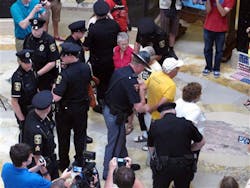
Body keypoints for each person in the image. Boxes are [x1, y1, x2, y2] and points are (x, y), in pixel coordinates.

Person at [102, 51, 151, 180]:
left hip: (112, 109)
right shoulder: (130, 80)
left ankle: (124, 163)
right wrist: (142, 92)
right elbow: (139, 108)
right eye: (144, 68)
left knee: (121, 139)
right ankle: (108, 172)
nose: (143, 71)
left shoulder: (123, 71)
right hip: (114, 114)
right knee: (114, 143)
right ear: (140, 66)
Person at [53, 42, 91, 171]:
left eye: (63, 55)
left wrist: (54, 88)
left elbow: (56, 97)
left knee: (64, 138)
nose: (62, 57)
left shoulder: (65, 74)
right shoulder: (86, 68)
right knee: (80, 136)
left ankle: (63, 163)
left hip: (66, 111)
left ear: (70, 56)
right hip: (81, 108)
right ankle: (80, 161)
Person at [148, 102, 205, 188]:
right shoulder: (187, 124)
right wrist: (189, 149)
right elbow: (201, 142)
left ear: (161, 114)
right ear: (174, 112)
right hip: (184, 166)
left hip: (162, 167)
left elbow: (151, 147)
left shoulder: (155, 125)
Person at [83, 0, 120, 114]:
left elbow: (86, 47)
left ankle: (102, 104)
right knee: (111, 81)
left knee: (100, 83)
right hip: (112, 60)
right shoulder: (114, 25)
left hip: (98, 62)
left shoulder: (93, 29)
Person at [23, 90, 59, 180]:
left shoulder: (33, 113)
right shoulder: (37, 132)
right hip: (44, 163)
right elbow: (37, 155)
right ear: (48, 108)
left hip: (50, 156)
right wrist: (45, 173)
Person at [1, 143, 72, 188]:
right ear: (24, 163)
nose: (32, 155)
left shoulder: (6, 168)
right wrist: (62, 178)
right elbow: (50, 185)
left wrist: (37, 167)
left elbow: (22, 174)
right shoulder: (34, 179)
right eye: (29, 156)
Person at [134, 46, 162, 147]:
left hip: (152, 98)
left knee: (150, 120)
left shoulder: (156, 69)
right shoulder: (146, 66)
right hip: (143, 95)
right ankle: (145, 134)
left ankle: (151, 141)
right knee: (141, 115)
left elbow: (147, 84)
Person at [23, 17, 60, 90]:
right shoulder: (28, 38)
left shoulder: (49, 40)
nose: (35, 31)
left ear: (43, 28)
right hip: (31, 72)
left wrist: (37, 74)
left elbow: (52, 62)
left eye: (37, 29)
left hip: (45, 75)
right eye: (33, 29)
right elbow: (24, 55)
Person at [202, 0, 235, 78]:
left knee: (219, 51)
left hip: (221, 30)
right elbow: (208, 10)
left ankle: (216, 68)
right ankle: (208, 67)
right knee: (207, 49)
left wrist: (217, 1)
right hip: (208, 27)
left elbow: (223, 13)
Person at [11, 49, 38, 142]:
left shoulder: (32, 70)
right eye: (25, 63)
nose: (28, 65)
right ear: (19, 62)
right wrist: (22, 119)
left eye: (29, 62)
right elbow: (14, 101)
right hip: (24, 110)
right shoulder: (17, 78)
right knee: (25, 136)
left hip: (34, 108)